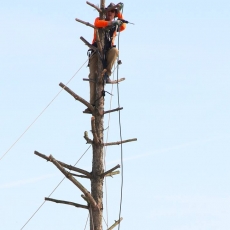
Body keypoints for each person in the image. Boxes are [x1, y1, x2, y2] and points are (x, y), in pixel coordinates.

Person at [84, 2, 126, 113]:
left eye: (113, 11)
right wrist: (111, 22)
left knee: (115, 51)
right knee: (93, 76)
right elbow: (98, 23)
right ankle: (92, 104)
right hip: (96, 52)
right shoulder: (100, 20)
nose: (111, 13)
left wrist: (120, 14)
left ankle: (106, 74)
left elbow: (123, 26)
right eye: (109, 11)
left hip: (107, 53)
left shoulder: (116, 25)